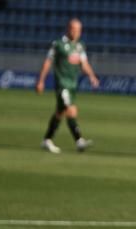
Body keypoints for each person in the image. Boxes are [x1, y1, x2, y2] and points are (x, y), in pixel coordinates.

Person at [35, 18, 99, 154]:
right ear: (68, 29)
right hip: (62, 84)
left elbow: (84, 64)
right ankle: (79, 141)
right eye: (74, 29)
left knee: (60, 113)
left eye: (79, 30)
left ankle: (47, 139)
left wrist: (92, 76)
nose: (76, 32)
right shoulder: (58, 44)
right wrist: (41, 81)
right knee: (70, 110)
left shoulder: (80, 46)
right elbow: (47, 63)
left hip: (72, 85)